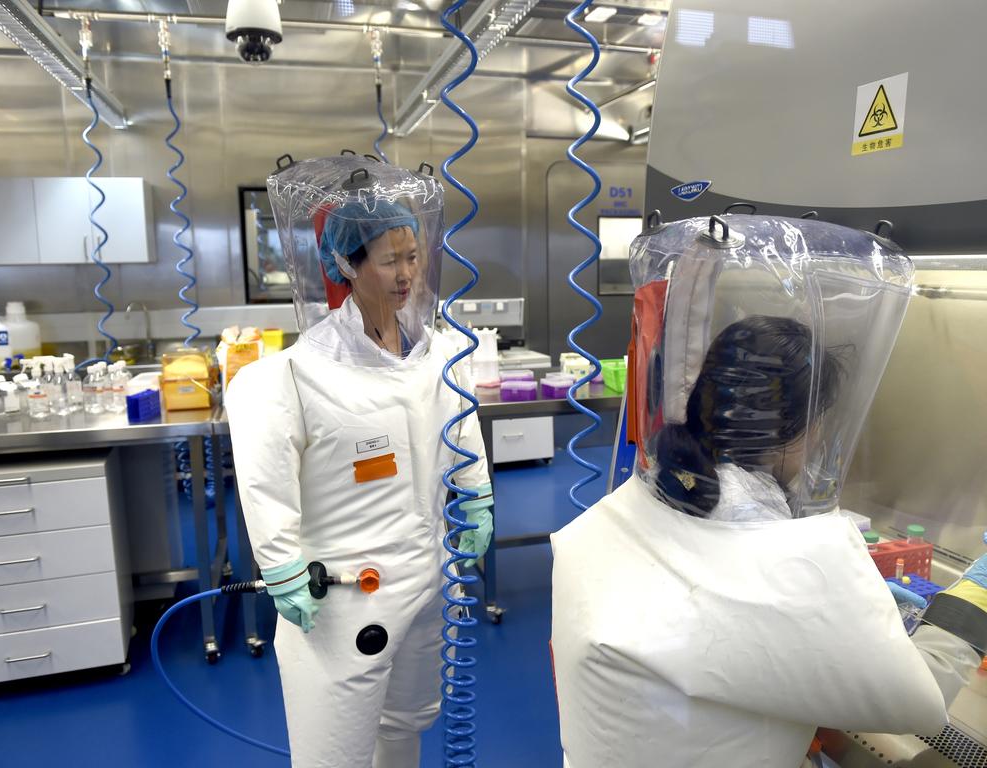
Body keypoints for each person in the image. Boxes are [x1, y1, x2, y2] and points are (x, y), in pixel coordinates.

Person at [551, 215, 987, 768]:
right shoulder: (777, 553)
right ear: (791, 431)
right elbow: (918, 699)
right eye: (818, 422)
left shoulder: (646, 497)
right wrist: (973, 596)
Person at [226, 156, 493, 768]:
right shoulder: (291, 377)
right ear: (346, 265)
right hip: (344, 598)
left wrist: (475, 495)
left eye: (412, 255)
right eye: (388, 259)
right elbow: (265, 484)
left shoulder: (438, 356)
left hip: (426, 583)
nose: (405, 274)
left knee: (405, 725)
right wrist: (281, 564)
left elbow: (462, 430)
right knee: (335, 751)